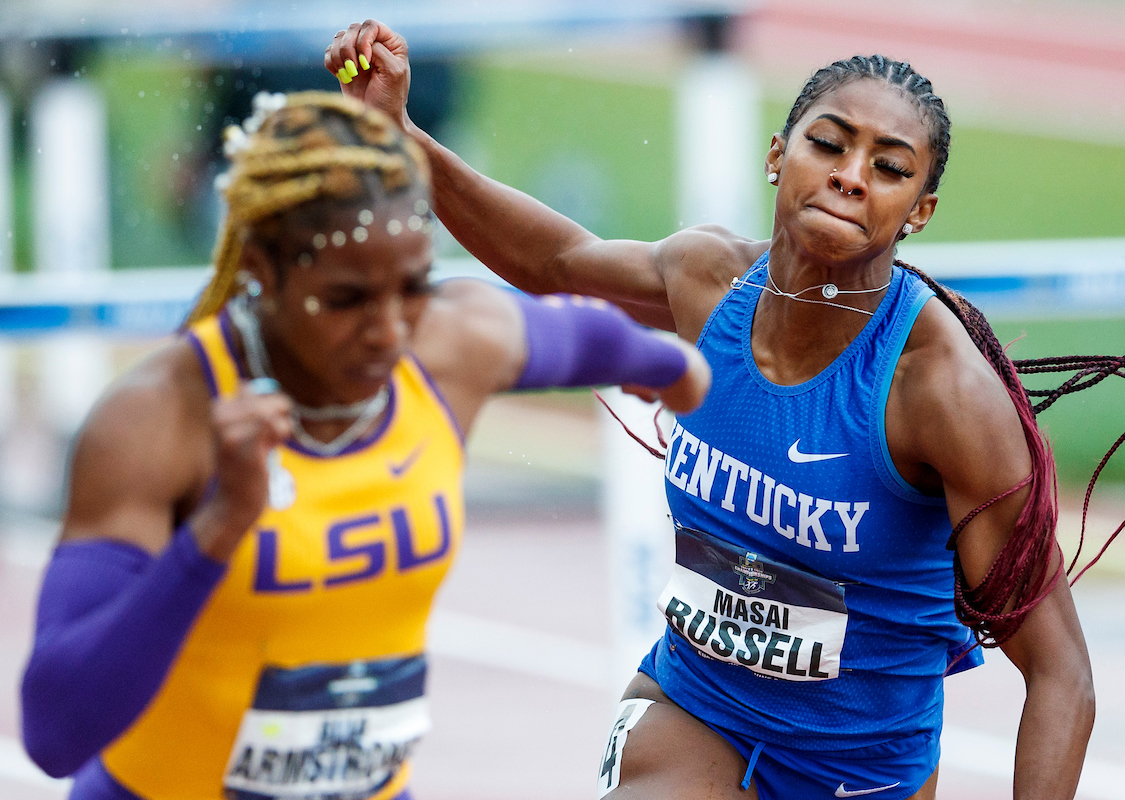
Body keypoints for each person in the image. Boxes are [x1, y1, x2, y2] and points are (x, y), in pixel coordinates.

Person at [321, 23, 1125, 800]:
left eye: (889, 167)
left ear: (918, 210)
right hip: (697, 707)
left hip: (861, 768)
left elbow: (1061, 673)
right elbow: (557, 262)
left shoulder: (940, 391)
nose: (851, 175)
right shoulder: (709, 282)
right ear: (778, 156)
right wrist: (401, 136)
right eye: (829, 143)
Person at [20, 91, 711, 800]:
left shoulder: (445, 345)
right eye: (347, 299)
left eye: (412, 287)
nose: (388, 332)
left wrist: (669, 366)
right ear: (261, 268)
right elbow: (54, 730)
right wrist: (216, 531)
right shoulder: (158, 420)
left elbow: (580, 334)